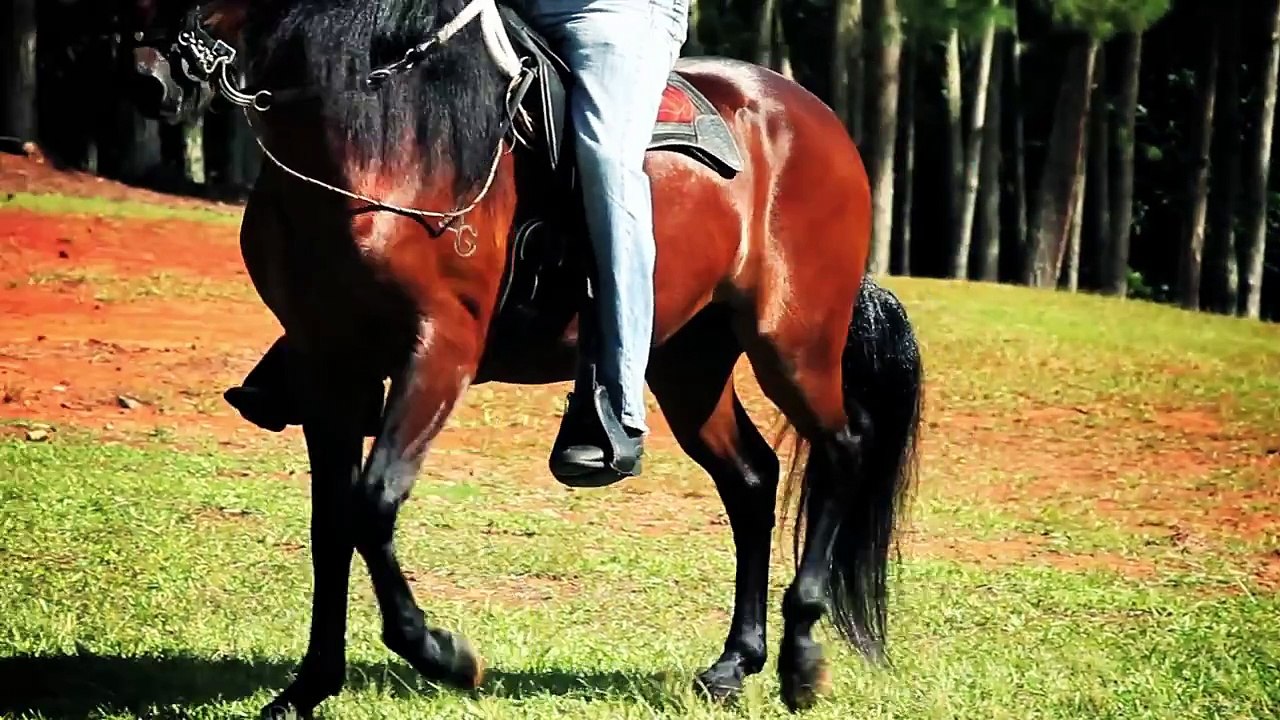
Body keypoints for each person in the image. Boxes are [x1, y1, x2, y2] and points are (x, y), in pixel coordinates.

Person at [226, 0, 689, 487]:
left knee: (606, 159)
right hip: (512, 6)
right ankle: (324, 337)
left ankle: (617, 395)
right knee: (378, 88)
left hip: (616, 13)